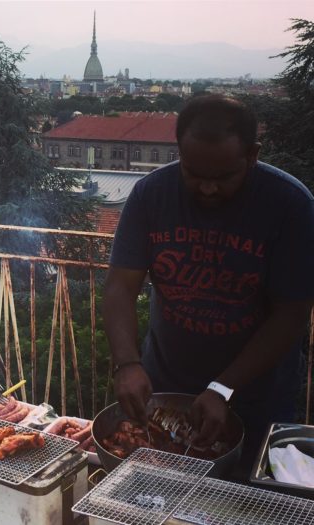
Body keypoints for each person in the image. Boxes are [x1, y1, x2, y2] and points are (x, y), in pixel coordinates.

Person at [103, 94, 314, 476]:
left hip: (255, 399)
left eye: (223, 178)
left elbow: (291, 315)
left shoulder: (291, 206)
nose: (208, 189)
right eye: (194, 173)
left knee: (246, 497)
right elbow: (120, 286)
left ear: (252, 155)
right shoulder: (151, 195)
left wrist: (223, 388)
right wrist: (127, 363)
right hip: (166, 388)